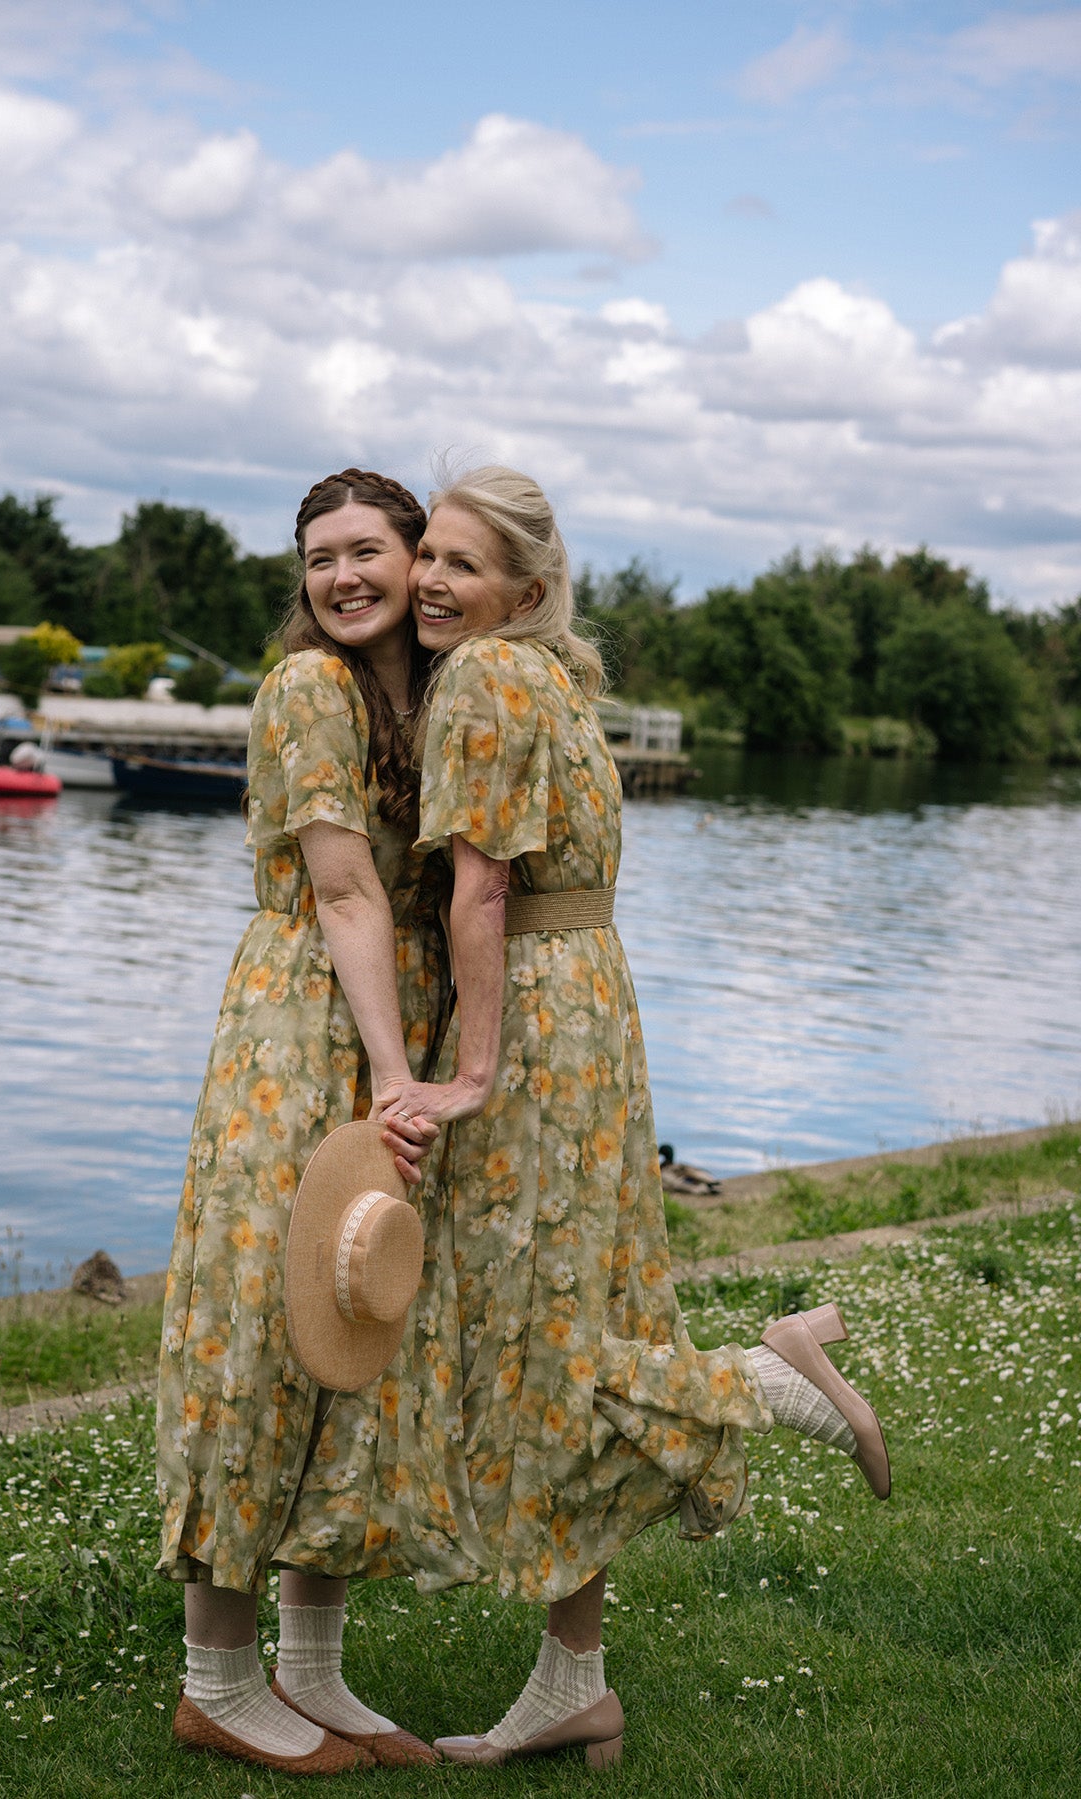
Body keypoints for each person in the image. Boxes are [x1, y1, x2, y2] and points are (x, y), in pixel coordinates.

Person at [367, 465, 889, 1768]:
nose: (429, 579)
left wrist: (474, 1068)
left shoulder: (486, 682)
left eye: (462, 567)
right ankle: (572, 1683)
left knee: (536, 1341)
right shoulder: (558, 686)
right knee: (579, 1314)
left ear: (525, 592)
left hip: (535, 1027)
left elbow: (480, 895)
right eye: (426, 553)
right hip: (595, 1007)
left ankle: (767, 1378)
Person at [155, 469, 445, 1774]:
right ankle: (217, 1683)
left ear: (415, 556)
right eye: (321, 556)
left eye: (367, 550)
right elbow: (340, 892)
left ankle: (313, 1676)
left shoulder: (423, 696)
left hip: (384, 1026)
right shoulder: (309, 691)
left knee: (354, 1335)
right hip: (305, 1035)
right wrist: (396, 1078)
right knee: (263, 1334)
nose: (343, 577)